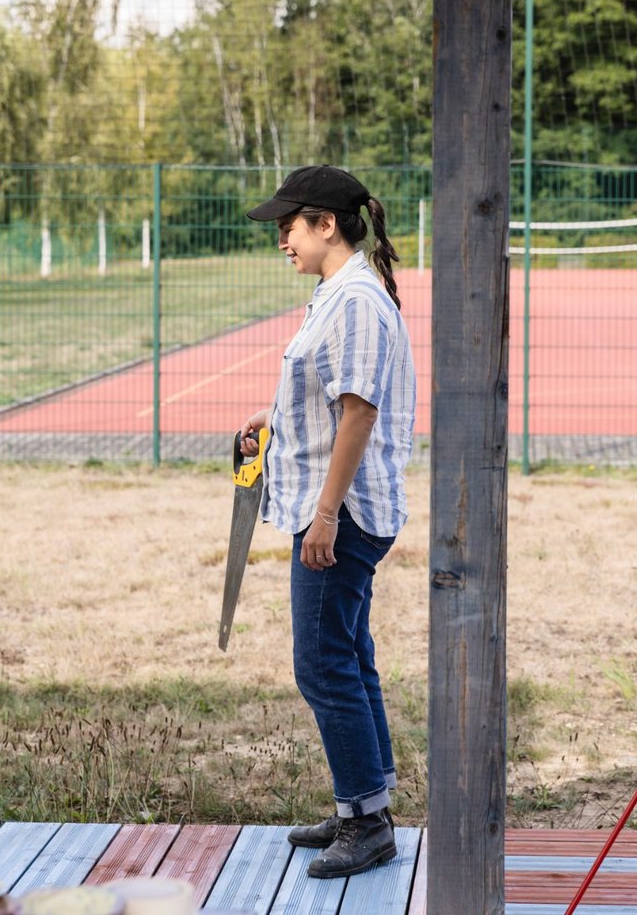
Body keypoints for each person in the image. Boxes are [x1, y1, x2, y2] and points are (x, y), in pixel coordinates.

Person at [240, 164, 416, 880]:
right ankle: (362, 805)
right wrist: (271, 417)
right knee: (348, 651)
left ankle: (367, 823)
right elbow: (327, 394)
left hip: (340, 515)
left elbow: (359, 411)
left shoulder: (353, 300)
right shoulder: (334, 293)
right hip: (336, 508)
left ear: (327, 224)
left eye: (290, 224)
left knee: (321, 663)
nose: (280, 236)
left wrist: (322, 516)